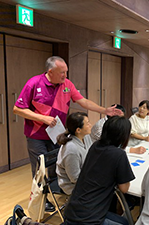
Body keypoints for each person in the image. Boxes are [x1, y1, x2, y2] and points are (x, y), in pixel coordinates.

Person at [13, 56, 121, 211]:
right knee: (40, 170)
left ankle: (62, 193)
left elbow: (83, 101)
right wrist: (41, 118)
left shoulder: (67, 85)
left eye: (66, 72)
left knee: (56, 168)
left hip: (57, 134)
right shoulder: (34, 83)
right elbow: (17, 109)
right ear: (50, 71)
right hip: (36, 136)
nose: (65, 75)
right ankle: (41, 203)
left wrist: (104, 110)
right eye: (62, 72)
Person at [64, 116, 135, 225]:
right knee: (125, 223)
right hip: (88, 219)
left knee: (122, 220)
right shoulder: (119, 154)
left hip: (72, 210)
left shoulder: (95, 146)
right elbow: (124, 189)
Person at [56, 112, 92, 195]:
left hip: (87, 175)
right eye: (87, 123)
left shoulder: (86, 137)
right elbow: (75, 178)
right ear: (78, 130)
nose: (90, 125)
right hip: (73, 186)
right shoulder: (71, 149)